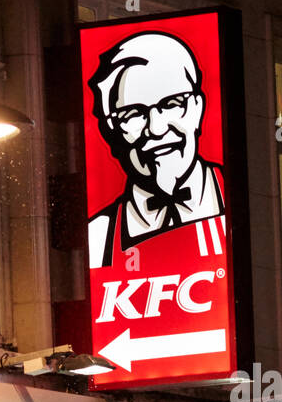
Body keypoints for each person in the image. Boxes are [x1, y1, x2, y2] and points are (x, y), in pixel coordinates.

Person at [86, 31, 227, 269]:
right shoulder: (98, 238)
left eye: (172, 104)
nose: (156, 128)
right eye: (133, 113)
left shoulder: (238, 202)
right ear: (112, 129)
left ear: (197, 108)